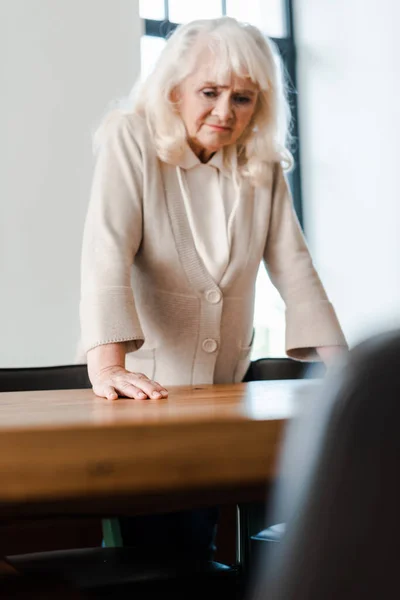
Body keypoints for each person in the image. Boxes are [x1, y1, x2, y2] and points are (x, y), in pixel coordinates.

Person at [78, 17, 347, 558]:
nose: (225, 112)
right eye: (210, 92)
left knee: (202, 545)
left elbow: (295, 268)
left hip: (225, 391)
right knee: (156, 552)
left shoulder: (261, 163)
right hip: (146, 395)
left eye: (243, 98)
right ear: (174, 89)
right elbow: (106, 252)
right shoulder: (132, 138)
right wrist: (107, 366)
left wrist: (349, 372)